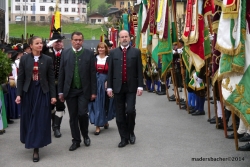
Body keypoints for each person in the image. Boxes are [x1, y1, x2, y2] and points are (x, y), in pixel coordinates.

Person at [15, 36, 56, 162]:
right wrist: (18, 94)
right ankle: (31, 140)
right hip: (29, 91)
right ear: (31, 46)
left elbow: (51, 79)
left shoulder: (48, 59)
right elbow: (21, 78)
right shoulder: (25, 59)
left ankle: (36, 148)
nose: (40, 45)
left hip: (42, 91)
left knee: (40, 118)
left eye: (41, 43)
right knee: (29, 117)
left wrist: (53, 96)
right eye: (37, 43)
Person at [58, 31, 97, 151]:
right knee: (73, 116)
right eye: (75, 40)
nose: (77, 42)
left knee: (82, 114)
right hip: (70, 91)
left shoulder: (89, 54)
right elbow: (61, 74)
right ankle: (76, 140)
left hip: (83, 90)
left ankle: (85, 135)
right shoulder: (65, 53)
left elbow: (92, 74)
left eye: (80, 40)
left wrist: (93, 92)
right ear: (71, 41)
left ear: (83, 41)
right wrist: (60, 91)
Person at [107, 30, 143, 148]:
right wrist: (109, 87)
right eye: (122, 37)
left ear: (130, 38)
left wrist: (140, 86)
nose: (124, 39)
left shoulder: (136, 52)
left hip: (131, 86)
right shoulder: (113, 53)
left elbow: (139, 70)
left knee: (130, 111)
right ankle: (123, 137)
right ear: (119, 39)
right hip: (118, 87)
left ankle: (131, 131)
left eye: (126, 36)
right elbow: (110, 71)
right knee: (120, 114)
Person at [88, 42, 115, 135]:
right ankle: (98, 125)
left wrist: (108, 82)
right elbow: (91, 71)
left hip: (105, 83)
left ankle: (105, 120)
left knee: (106, 103)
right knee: (97, 103)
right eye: (99, 48)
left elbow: (112, 71)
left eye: (102, 48)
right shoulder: (94, 58)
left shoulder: (109, 59)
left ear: (106, 49)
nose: (101, 49)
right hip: (95, 82)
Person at [43, 31, 66, 138]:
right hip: (49, 84)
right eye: (56, 42)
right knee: (51, 105)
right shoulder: (46, 52)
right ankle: (53, 124)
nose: (58, 44)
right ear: (52, 43)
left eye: (60, 42)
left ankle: (57, 127)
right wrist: (48, 44)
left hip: (62, 84)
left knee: (60, 105)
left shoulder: (67, 53)